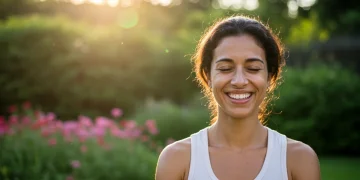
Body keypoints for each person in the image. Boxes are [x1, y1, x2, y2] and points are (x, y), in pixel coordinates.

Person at [155, 15, 320, 180]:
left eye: (253, 68)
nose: (239, 81)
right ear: (208, 76)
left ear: (270, 77)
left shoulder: (299, 160)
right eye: (226, 68)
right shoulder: (176, 160)